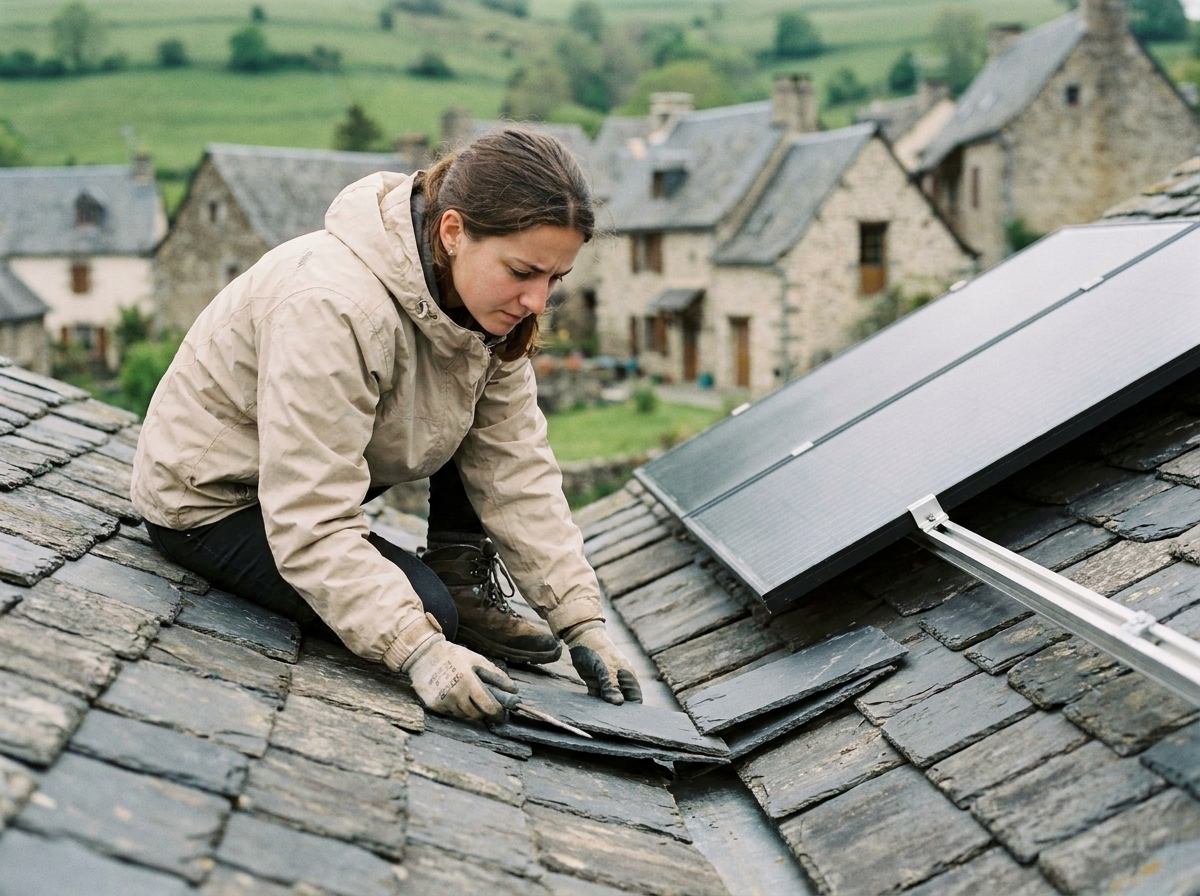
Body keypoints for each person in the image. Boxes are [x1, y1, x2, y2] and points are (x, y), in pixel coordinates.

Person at [131, 129, 642, 724]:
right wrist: (420, 650)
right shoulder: (331, 305)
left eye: (555, 279)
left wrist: (581, 620)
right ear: (453, 232)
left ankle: (462, 576)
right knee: (427, 612)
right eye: (523, 271)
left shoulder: (484, 311)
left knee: (469, 422)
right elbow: (310, 518)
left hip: (297, 488)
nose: (537, 300)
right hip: (214, 502)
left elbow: (515, 467)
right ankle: (448, 600)